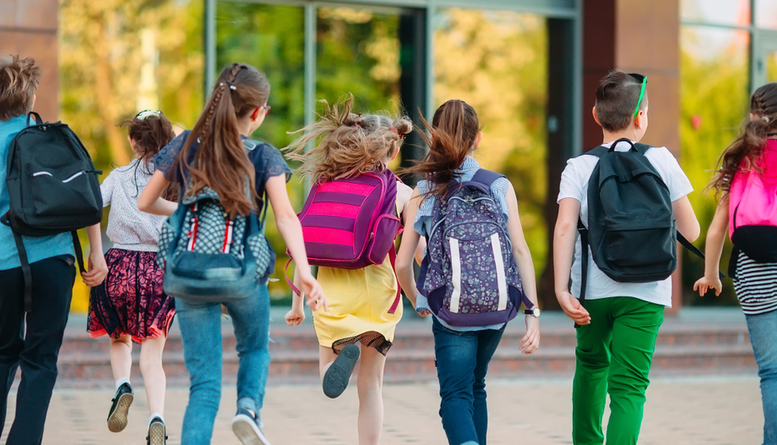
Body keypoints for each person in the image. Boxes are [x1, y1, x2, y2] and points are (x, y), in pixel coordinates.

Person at [138, 63, 325, 445]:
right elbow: (288, 218)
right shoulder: (264, 155)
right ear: (257, 112)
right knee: (254, 348)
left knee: (203, 386)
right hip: (242, 274)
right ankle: (248, 410)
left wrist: (190, 213)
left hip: (189, 274)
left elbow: (146, 201)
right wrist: (304, 271)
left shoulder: (187, 143)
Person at [553, 70, 700, 445]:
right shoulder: (662, 160)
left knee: (590, 366)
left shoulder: (579, 166)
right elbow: (692, 231)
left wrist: (561, 289)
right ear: (640, 117)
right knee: (630, 386)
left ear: (596, 115)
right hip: (647, 291)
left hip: (592, 290)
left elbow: (566, 228)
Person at [395, 99, 541, 445]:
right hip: (497, 308)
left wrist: (419, 300)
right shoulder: (499, 186)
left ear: (435, 138)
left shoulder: (424, 191)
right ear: (477, 139)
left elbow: (403, 263)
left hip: (450, 311)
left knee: (456, 395)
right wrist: (531, 312)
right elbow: (520, 250)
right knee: (476, 385)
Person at [283, 96, 414, 445]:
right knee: (371, 385)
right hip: (378, 293)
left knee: (326, 370)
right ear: (392, 149)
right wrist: (425, 294)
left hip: (330, 294)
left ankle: (338, 361)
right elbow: (417, 254)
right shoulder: (401, 192)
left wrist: (296, 305)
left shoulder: (324, 185)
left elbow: (304, 245)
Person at [0, 54, 107, 445]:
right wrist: (96, 252)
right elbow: (85, 193)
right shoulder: (52, 135)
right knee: (41, 361)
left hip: (3, 266)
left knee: (1, 356)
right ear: (29, 97)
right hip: (55, 262)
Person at [83, 110, 178, 444]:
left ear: (131, 140)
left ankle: (122, 385)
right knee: (153, 355)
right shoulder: (173, 179)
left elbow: (89, 206)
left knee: (119, 338)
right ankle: (157, 418)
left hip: (117, 265)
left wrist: (96, 251)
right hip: (158, 270)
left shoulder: (119, 175)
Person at [693, 82, 777, 445]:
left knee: (772, 373)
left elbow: (715, 232)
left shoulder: (742, 158)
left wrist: (712, 274)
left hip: (754, 274)